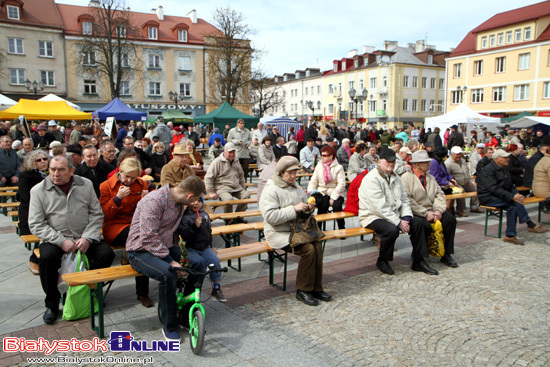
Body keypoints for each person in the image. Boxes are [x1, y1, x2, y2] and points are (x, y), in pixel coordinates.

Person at [29, 155, 115, 325]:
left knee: (106, 254)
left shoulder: (85, 184)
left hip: (83, 235)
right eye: (52, 169)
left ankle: (89, 293)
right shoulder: (38, 190)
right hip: (55, 238)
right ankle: (52, 304)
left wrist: (88, 238)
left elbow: (96, 214)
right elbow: (36, 223)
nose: (56, 173)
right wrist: (60, 241)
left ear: (71, 171)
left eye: (61, 170)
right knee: (46, 259)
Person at [127, 175, 205, 342]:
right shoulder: (155, 201)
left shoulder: (179, 202)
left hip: (165, 246)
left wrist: (182, 253)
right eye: (196, 199)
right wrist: (171, 260)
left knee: (199, 263)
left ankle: (186, 315)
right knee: (167, 274)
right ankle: (169, 325)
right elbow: (147, 237)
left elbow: (173, 232)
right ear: (190, 196)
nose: (195, 203)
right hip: (139, 251)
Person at [260, 156, 332, 306]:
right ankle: (303, 290)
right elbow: (270, 217)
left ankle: (316, 287)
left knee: (317, 246)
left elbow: (303, 204)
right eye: (289, 173)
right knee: (308, 250)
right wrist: (294, 209)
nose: (293, 176)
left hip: (297, 230)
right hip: (278, 232)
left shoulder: (295, 186)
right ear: (281, 172)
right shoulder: (271, 188)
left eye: (295, 172)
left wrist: (307, 208)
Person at [359, 149, 438, 275]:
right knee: (391, 230)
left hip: (393, 214)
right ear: (379, 162)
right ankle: (383, 260)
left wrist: (406, 218)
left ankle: (419, 260)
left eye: (393, 161)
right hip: (372, 215)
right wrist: (398, 222)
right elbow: (379, 206)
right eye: (387, 161)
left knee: (420, 223)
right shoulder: (372, 179)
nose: (391, 163)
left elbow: (404, 199)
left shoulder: (395, 177)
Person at [99, 158, 152, 307]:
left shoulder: (142, 183)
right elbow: (105, 214)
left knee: (143, 245)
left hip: (136, 226)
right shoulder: (106, 186)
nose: (129, 180)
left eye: (133, 177)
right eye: (126, 176)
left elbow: (151, 210)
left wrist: (147, 201)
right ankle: (142, 292)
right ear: (119, 172)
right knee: (142, 243)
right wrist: (117, 199)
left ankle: (143, 291)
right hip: (115, 228)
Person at [477, 149, 548, 245]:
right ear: (497, 159)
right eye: (505, 157)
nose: (508, 159)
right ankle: (529, 224)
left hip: (501, 196)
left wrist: (516, 195)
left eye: (508, 157)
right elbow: (493, 189)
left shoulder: (504, 168)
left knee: (513, 206)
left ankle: (510, 235)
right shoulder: (488, 170)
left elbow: (510, 185)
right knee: (513, 203)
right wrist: (512, 196)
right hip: (488, 197)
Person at [401, 150, 459, 268]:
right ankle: (419, 258)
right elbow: (406, 199)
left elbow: (439, 194)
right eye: (425, 163)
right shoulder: (406, 178)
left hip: (432, 210)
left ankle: (446, 254)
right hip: (416, 212)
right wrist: (425, 213)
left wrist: (438, 210)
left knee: (450, 220)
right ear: (416, 165)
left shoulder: (430, 177)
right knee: (422, 224)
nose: (429, 165)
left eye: (428, 162)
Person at [176, 197, 226, 303]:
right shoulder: (185, 217)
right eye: (193, 201)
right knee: (197, 264)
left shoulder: (205, 215)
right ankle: (189, 287)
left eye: (198, 201)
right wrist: (195, 226)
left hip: (205, 247)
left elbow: (208, 232)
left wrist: (210, 245)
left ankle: (216, 288)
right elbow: (184, 235)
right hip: (191, 248)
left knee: (215, 262)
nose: (195, 203)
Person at [17, 150, 49, 274]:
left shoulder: (47, 174)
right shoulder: (26, 176)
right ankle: (34, 259)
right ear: (32, 162)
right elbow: (26, 197)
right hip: (30, 213)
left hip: (46, 212)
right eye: (39, 160)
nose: (42, 162)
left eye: (45, 159)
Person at [307, 145, 346, 230]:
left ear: (331, 156)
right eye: (322, 155)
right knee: (322, 204)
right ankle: (318, 229)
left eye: (325, 156)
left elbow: (341, 184)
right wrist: (311, 192)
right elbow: (313, 181)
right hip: (322, 192)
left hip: (336, 192)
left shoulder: (338, 167)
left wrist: (333, 197)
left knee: (337, 206)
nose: (322, 158)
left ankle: (342, 228)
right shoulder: (319, 166)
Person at [205, 142, 250, 213]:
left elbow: (241, 175)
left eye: (233, 152)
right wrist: (211, 192)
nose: (232, 154)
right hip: (222, 188)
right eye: (230, 152)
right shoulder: (217, 161)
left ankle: (238, 216)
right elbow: (208, 177)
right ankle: (229, 219)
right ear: (225, 151)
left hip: (236, 187)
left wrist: (243, 187)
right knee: (229, 199)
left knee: (246, 195)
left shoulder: (236, 160)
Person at [445, 146, 482, 216]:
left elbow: (466, 170)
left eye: (459, 154)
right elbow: (447, 175)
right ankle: (460, 209)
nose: (458, 156)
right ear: (452, 154)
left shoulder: (462, 160)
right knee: (461, 191)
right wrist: (452, 183)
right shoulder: (448, 163)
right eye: (456, 154)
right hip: (456, 183)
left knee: (475, 188)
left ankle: (474, 206)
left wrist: (468, 180)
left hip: (465, 181)